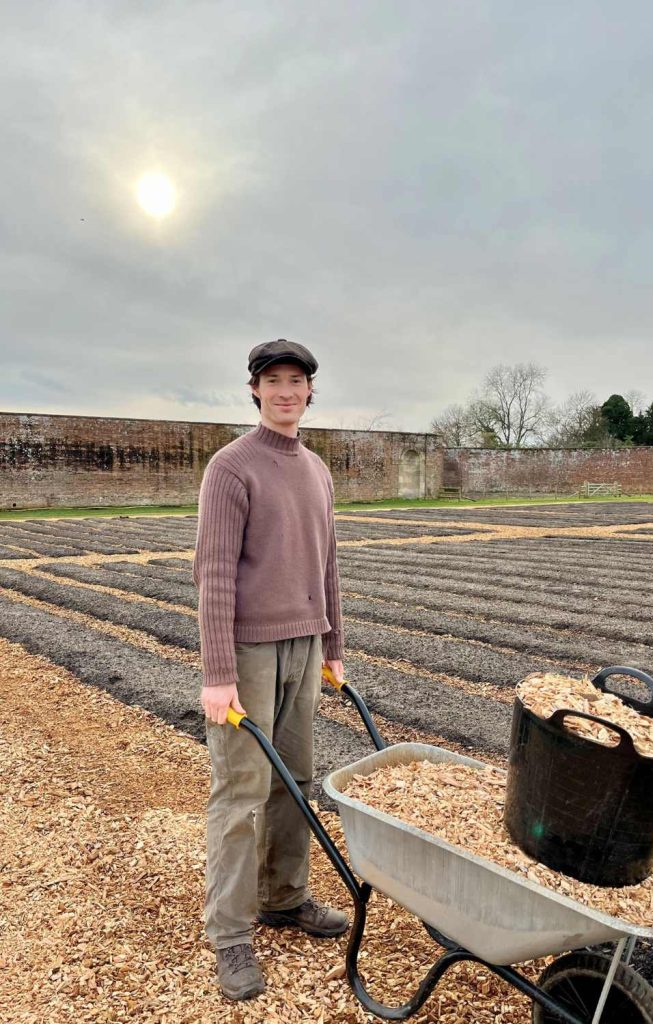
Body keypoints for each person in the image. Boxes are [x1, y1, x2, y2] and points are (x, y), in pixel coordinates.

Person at [192, 339, 348, 1001]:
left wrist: (334, 646)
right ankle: (229, 933)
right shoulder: (231, 467)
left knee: (297, 781)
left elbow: (328, 564)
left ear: (310, 392)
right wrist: (217, 673)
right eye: (272, 381)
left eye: (296, 381)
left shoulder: (315, 469)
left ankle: (284, 897)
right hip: (249, 653)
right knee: (239, 794)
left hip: (305, 647)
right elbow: (213, 574)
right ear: (254, 391)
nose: (285, 391)